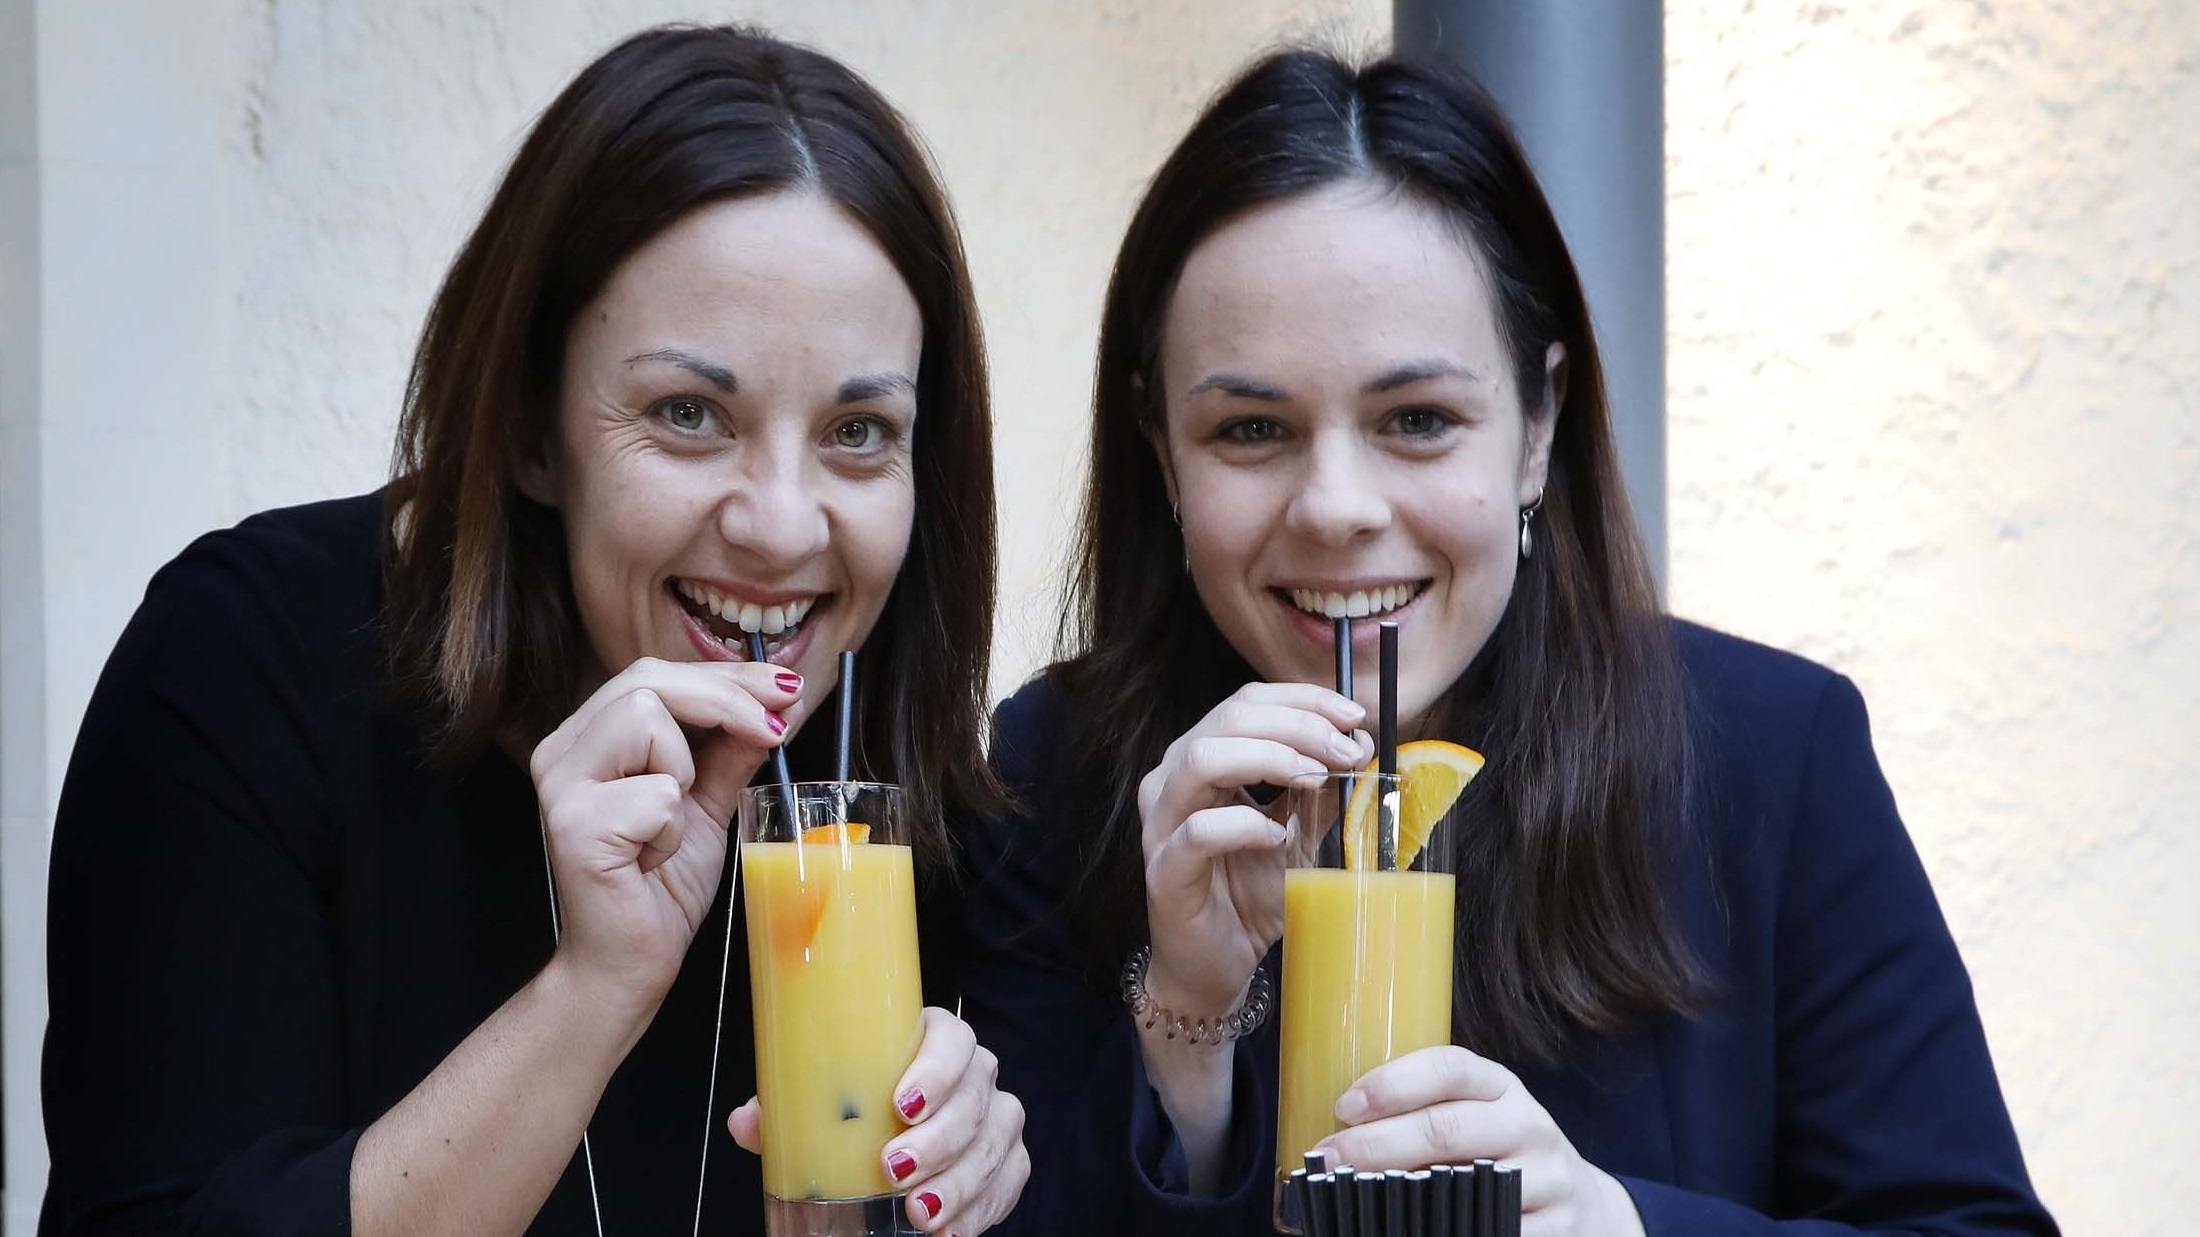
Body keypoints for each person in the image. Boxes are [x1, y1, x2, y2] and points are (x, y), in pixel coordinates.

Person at [962, 48, 2058, 1236]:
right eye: (1251, 427)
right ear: (1161, 448)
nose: (1336, 506)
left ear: (1536, 427)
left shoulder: (1771, 754)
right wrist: (1186, 1033)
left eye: (1417, 420)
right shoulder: (1056, 770)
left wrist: (1619, 1224)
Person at [41, 25, 1026, 1237]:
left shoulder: (896, 793)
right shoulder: (244, 661)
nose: (781, 526)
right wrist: (593, 992)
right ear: (525, 425)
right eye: (687, 412)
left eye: (858, 430)